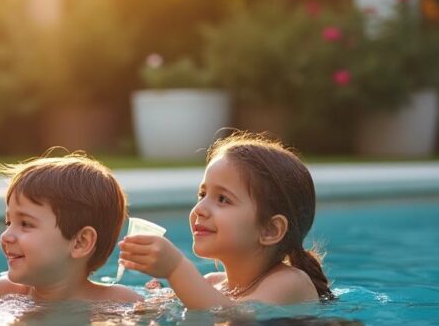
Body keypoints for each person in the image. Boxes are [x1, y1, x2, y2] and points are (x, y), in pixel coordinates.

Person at [118, 131, 332, 307]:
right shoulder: (211, 283)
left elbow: (237, 322)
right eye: (202, 195)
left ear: (270, 230)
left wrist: (176, 269)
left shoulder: (290, 282)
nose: (199, 209)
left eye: (223, 199)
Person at [0, 152, 141, 303]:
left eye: (26, 224)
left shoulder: (117, 302)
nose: (6, 236)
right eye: (8, 223)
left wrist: (169, 269)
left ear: (80, 242)